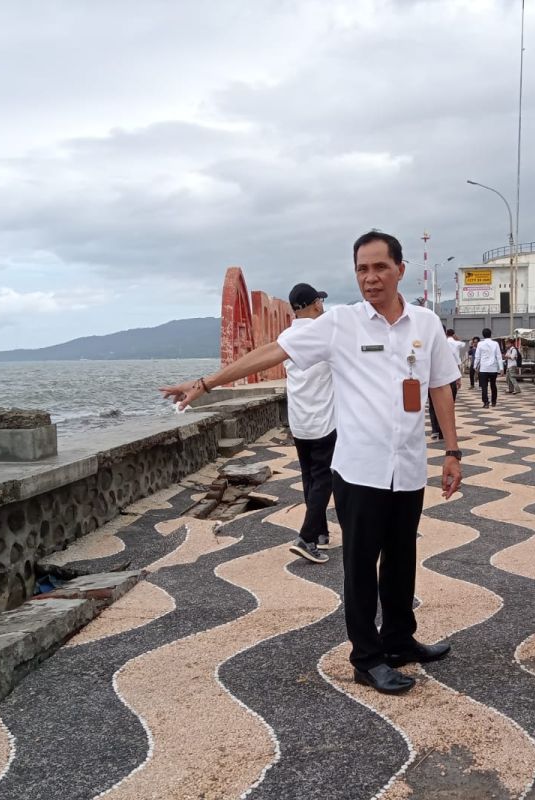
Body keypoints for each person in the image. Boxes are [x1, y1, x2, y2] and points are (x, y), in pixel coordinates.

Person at [160, 230, 463, 696]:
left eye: (380, 267)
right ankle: (366, 658)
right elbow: (275, 351)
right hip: (359, 471)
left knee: (402, 559)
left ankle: (400, 640)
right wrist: (207, 383)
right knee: (362, 566)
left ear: (401, 270)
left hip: (407, 467)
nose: (370, 277)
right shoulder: (341, 323)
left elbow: (440, 386)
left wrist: (453, 452)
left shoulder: (424, 324)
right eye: (362, 269)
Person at [279, 283, 336, 565]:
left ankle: (322, 532)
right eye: (320, 302)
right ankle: (307, 537)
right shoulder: (323, 335)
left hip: (299, 421)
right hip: (324, 420)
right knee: (325, 478)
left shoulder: (285, 337)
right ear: (315, 304)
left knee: (309, 478)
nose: (322, 306)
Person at [430, 328, 465, 440]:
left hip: (434, 378)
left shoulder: (428, 342)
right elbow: (457, 360)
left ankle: (436, 430)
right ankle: (444, 432)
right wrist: (458, 377)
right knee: (449, 405)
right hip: (449, 378)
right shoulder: (452, 344)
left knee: (433, 405)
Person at [473, 328, 503, 408]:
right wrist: (501, 368)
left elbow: (477, 356)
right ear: (491, 334)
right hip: (493, 368)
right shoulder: (495, 344)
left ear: (483, 335)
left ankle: (486, 402)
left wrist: (475, 366)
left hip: (483, 368)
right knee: (493, 385)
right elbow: (499, 356)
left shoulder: (480, 344)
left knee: (484, 386)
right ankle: (494, 401)